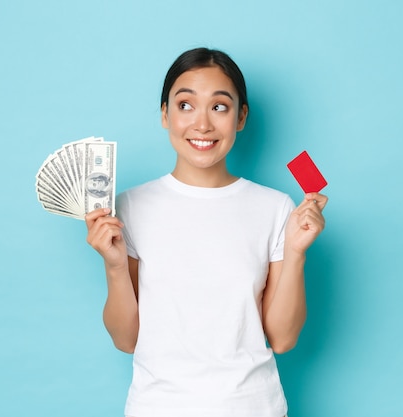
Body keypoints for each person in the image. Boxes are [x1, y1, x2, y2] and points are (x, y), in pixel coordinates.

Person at [85, 47, 328, 417]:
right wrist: (115, 267)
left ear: (241, 117)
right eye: (185, 105)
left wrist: (296, 253)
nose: (202, 124)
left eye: (219, 107)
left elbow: (283, 338)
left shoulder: (276, 207)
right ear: (165, 114)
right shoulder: (129, 207)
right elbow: (125, 339)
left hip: (253, 407)